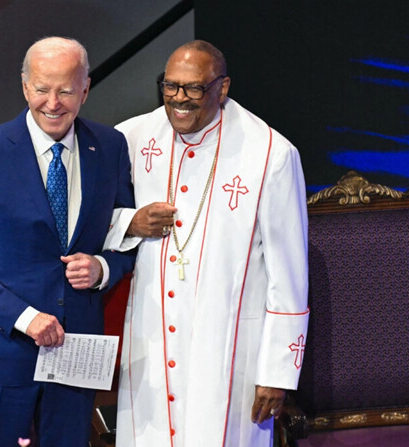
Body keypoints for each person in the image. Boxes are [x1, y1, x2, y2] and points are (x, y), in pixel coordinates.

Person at [104, 40, 309, 446]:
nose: (179, 99)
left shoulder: (271, 154)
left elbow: (289, 275)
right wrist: (130, 222)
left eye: (194, 89)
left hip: (230, 349)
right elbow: (88, 222)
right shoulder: (129, 138)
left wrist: (277, 373)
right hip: (151, 336)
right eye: (171, 86)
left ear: (223, 86)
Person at [0, 36, 135, 447]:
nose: (53, 102)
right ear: (25, 87)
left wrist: (103, 269)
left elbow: (127, 236)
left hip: (77, 358)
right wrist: (26, 318)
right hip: (0, 357)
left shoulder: (111, 147)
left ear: (85, 88)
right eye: (42, 89)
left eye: (65, 90)